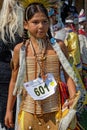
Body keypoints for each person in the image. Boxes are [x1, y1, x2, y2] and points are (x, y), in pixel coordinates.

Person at [4, 1, 78, 130]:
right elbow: (14, 81)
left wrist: (73, 99)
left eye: (44, 21)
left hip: (55, 112)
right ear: (25, 25)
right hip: (28, 112)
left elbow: (68, 75)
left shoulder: (58, 47)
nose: (41, 26)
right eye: (35, 22)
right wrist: (9, 110)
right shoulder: (20, 50)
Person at [0, 0, 23, 129]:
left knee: (7, 116)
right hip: (16, 74)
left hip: (7, 75)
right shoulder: (25, 29)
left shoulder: (3, 28)